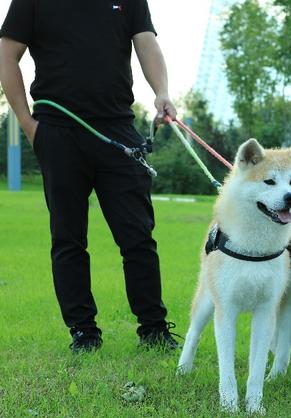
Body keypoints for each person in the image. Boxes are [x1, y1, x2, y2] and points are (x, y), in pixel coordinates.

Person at [0, 0, 179, 352]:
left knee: (138, 237)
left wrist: (162, 92)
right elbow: (7, 54)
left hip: (119, 131)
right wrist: (27, 124)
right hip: (58, 131)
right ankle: (83, 332)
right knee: (68, 239)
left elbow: (146, 42)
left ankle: (154, 329)